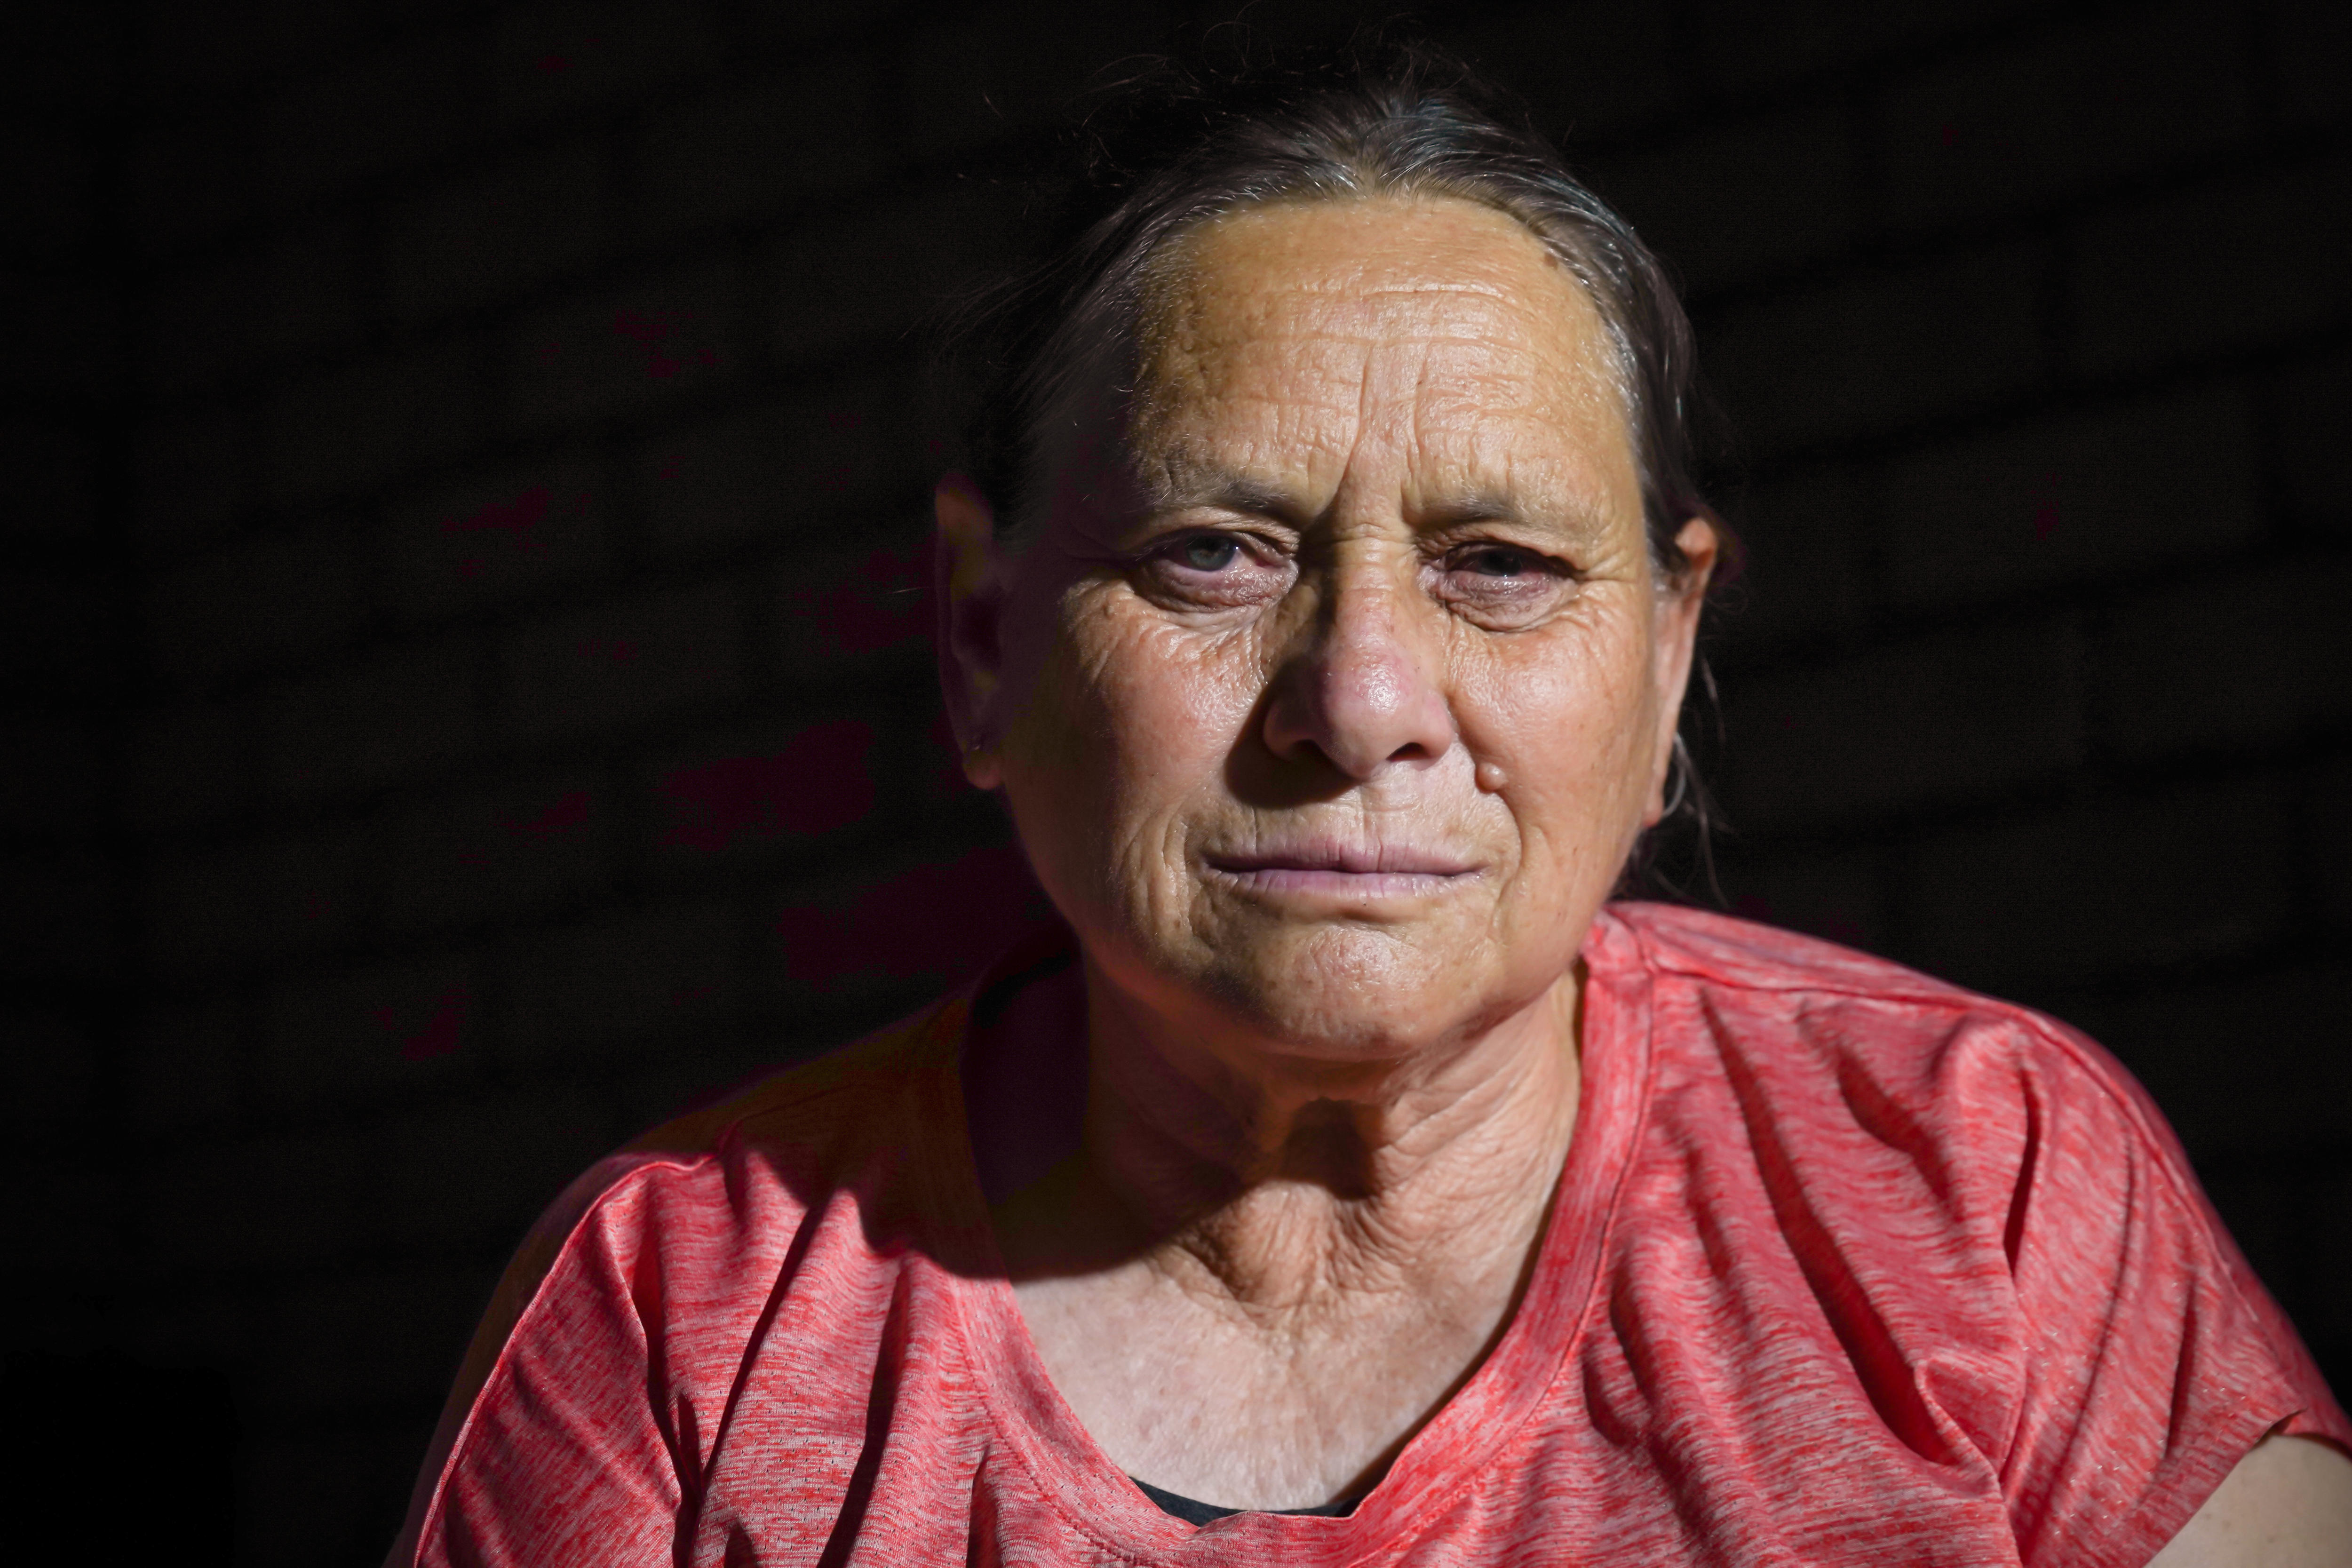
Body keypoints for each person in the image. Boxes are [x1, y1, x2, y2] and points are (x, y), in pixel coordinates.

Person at [385, 39, 2352, 1567]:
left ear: (1668, 657)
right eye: (1213, 553)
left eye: (1501, 564)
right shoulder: (686, 1308)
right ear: (983, 639)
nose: (1361, 703)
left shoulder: (1981, 1186)